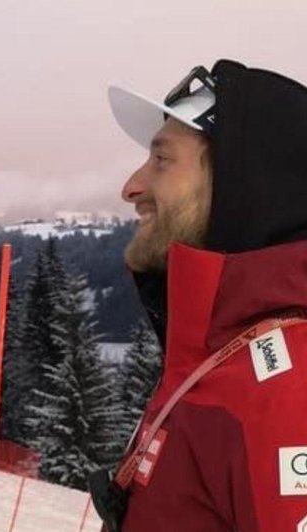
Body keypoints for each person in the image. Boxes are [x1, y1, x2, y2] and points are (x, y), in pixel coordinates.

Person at [88, 60, 307, 531]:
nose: (132, 187)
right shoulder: (219, 360)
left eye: (162, 160)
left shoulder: (288, 397)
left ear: (242, 185)